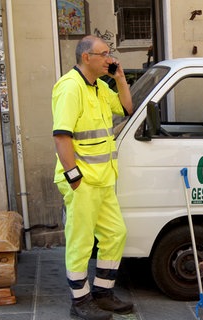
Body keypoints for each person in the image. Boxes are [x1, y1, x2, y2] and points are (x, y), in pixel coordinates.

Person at [52, 35, 133, 320]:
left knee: (115, 234)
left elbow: (126, 109)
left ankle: (103, 293)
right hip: (83, 180)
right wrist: (74, 178)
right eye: (104, 54)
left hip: (103, 178)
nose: (109, 59)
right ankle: (80, 300)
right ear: (86, 57)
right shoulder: (69, 87)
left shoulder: (99, 87)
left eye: (109, 53)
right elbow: (61, 136)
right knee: (81, 241)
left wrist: (120, 78)